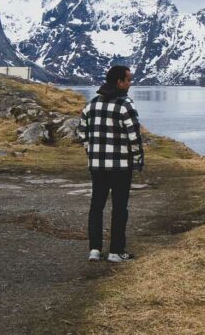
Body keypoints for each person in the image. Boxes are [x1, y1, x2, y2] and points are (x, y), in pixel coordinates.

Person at [76, 65, 144, 262]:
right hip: (121, 166)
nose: (130, 83)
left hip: (97, 165)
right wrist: (138, 159)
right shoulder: (125, 105)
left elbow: (82, 132)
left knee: (96, 205)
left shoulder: (91, 105)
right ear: (119, 82)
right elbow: (134, 137)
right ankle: (116, 251)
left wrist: (91, 151)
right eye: (128, 80)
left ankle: (95, 250)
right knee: (120, 207)